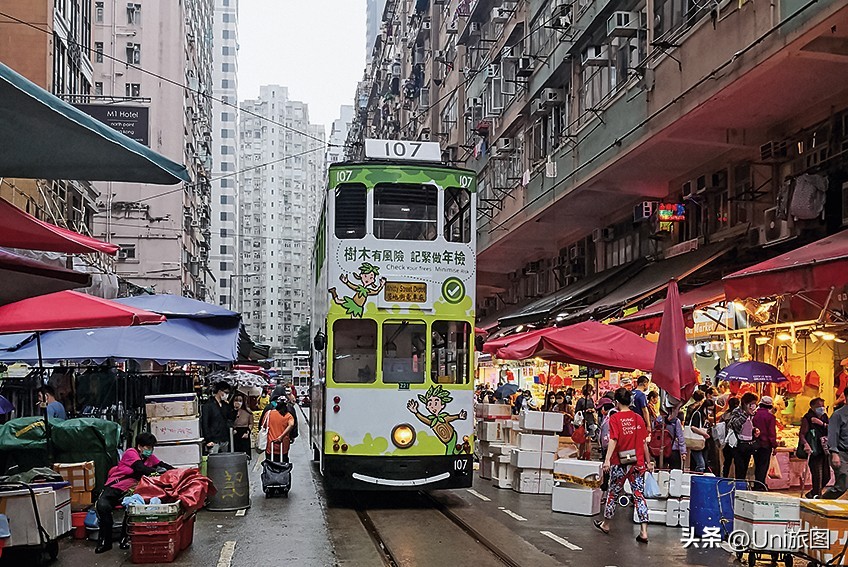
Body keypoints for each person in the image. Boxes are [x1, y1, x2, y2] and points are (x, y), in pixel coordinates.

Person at [95, 432, 173, 554]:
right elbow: (140, 468)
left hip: (129, 490)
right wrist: (157, 472)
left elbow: (163, 465)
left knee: (133, 507)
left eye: (152, 447)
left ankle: (125, 539)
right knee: (103, 506)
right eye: (148, 447)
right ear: (140, 446)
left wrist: (177, 472)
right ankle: (105, 541)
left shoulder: (150, 458)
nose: (150, 450)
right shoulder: (131, 453)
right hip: (114, 487)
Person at [594, 387, 653, 544]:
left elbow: (613, 440)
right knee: (639, 495)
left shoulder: (615, 418)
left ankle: (606, 524)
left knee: (613, 493)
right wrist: (648, 462)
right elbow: (644, 442)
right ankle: (644, 531)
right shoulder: (638, 418)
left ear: (617, 402)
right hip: (637, 463)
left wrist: (607, 460)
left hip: (619, 462)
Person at [799, 397, 830, 498]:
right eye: (819, 406)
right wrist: (806, 444)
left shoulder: (824, 417)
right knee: (817, 476)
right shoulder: (808, 418)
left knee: (827, 476)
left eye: (823, 406)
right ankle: (817, 496)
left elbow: (831, 428)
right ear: (812, 407)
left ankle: (812, 493)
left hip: (824, 449)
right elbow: (802, 434)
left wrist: (822, 424)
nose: (822, 408)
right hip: (814, 450)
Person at [728, 392, 759, 481]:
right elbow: (736, 424)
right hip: (738, 444)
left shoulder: (752, 414)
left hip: (748, 444)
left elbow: (749, 426)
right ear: (746, 403)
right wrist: (746, 414)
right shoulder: (737, 411)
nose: (753, 406)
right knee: (739, 467)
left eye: (755, 403)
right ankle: (738, 485)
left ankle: (742, 484)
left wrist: (755, 430)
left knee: (745, 466)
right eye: (752, 403)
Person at [825, 387, 848, 498]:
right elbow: (833, 434)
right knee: (842, 484)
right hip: (841, 452)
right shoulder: (838, 415)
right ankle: (823, 501)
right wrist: (834, 453)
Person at [751, 396, 777, 490]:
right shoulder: (770, 417)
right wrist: (774, 445)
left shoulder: (753, 415)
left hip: (755, 443)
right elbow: (771, 432)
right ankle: (760, 485)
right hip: (766, 445)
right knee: (763, 466)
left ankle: (758, 484)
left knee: (757, 464)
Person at [201, 381, 232, 454]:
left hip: (224, 438)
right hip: (213, 440)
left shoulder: (225, 405)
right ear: (220, 391)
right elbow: (205, 423)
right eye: (225, 392)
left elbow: (229, 418)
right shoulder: (208, 405)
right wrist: (208, 439)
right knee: (214, 458)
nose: (227, 395)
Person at [264, 397, 296, 463]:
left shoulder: (268, 414)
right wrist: (281, 437)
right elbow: (291, 425)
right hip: (283, 445)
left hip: (270, 444)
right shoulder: (288, 416)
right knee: (283, 463)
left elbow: (264, 426)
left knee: (270, 463)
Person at [686, 391, 710, 473]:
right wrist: (704, 433)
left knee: (698, 462)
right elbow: (693, 427)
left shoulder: (691, 407)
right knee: (701, 464)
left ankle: (695, 473)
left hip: (699, 440)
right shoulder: (698, 412)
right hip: (697, 440)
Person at [720, 396, 741, 478]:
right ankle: (738, 479)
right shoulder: (740, 414)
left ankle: (724, 478)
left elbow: (720, 426)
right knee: (738, 462)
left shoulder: (725, 414)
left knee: (727, 462)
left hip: (727, 441)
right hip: (737, 441)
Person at [231, 392, 254, 459]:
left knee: (245, 456)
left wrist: (248, 432)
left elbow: (251, 423)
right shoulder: (231, 411)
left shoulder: (248, 412)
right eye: (236, 400)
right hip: (234, 434)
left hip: (244, 433)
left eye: (240, 401)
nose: (238, 403)